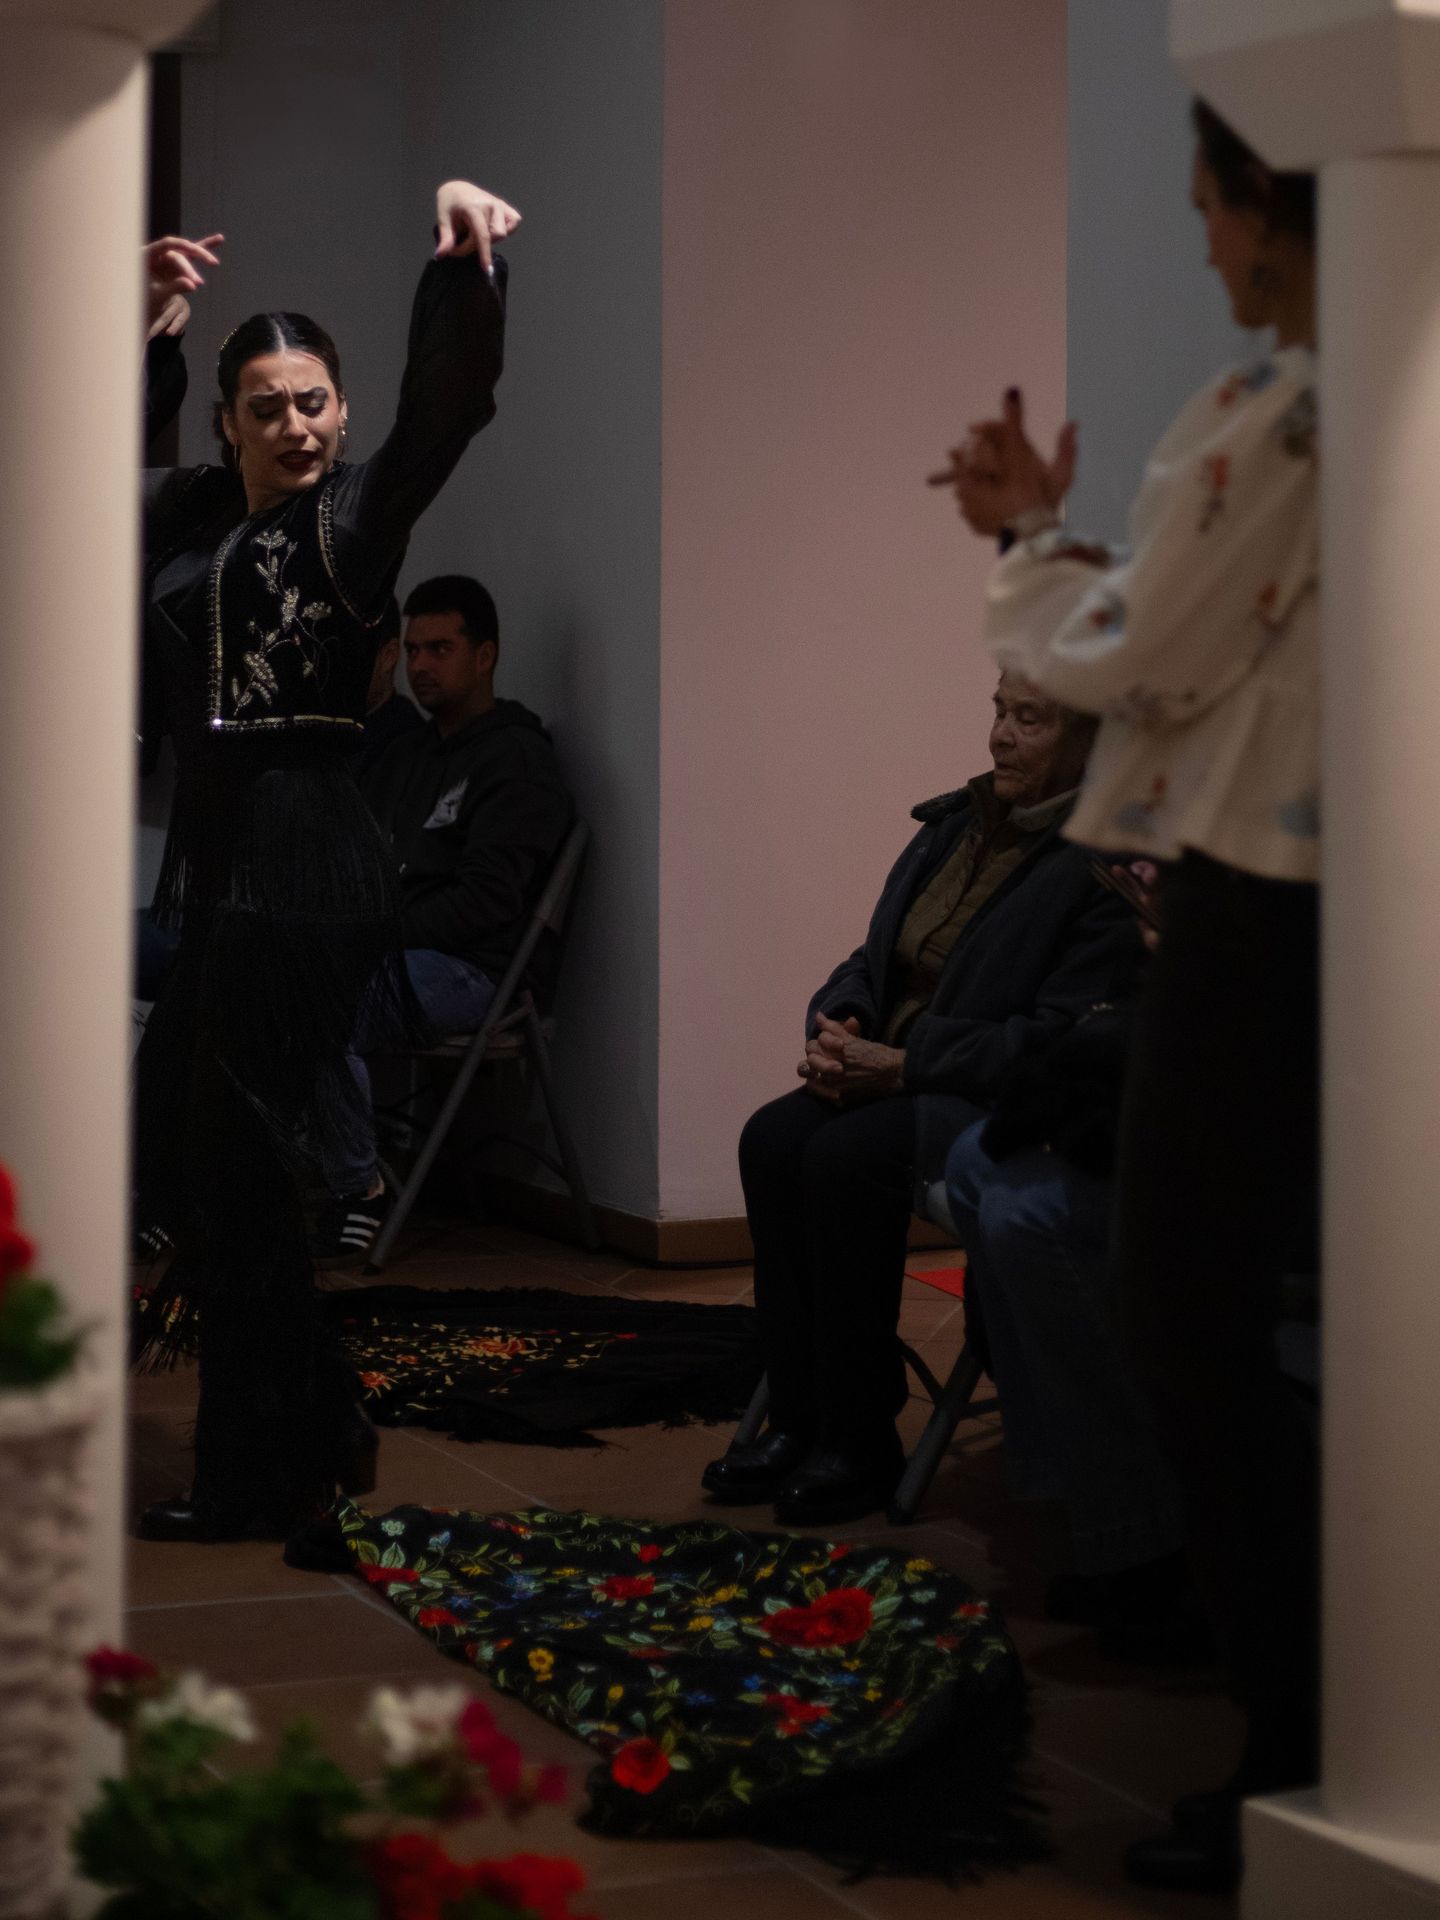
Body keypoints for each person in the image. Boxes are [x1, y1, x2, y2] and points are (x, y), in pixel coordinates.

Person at [937, 102, 1318, 1894]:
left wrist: (1024, 551)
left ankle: (1304, 1742)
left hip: (1278, 912)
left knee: (1183, 1308)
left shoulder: (1296, 412)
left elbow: (1133, 654)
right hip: (1309, 896)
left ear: (1276, 206)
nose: (1209, 250)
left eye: (1215, 213)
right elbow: (1189, 637)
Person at [132, 181, 519, 1549]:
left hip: (306, 864)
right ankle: (326, 1408)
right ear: (230, 423)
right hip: (223, 858)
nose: (297, 425)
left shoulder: (352, 526)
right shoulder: (189, 524)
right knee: (168, 1157)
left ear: (339, 412)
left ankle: (260, 1472)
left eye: (314, 403)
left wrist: (461, 268)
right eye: (268, 407)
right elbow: (80, 470)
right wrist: (148, 332)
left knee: (236, 1171)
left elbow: (448, 415)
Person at [702, 673, 1142, 1526]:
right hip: (891, 1068)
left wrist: (905, 1062)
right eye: (998, 711)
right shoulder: (953, 826)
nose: (1001, 737)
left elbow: (1052, 1044)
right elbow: (875, 955)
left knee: (842, 1161)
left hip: (982, 1100)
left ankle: (860, 1441)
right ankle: (798, 1417)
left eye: (1031, 719)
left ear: (1089, 738)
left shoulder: (1102, 865)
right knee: (770, 1139)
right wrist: (842, 1018)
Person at [313, 573, 573, 1260]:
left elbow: (487, 904)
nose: (422, 666)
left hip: (478, 972)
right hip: (405, 955)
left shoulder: (515, 759)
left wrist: (369, 935)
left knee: (320, 1004)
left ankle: (357, 1189)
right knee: (265, 980)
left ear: (484, 656)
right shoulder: (416, 753)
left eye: (441, 649)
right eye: (414, 650)